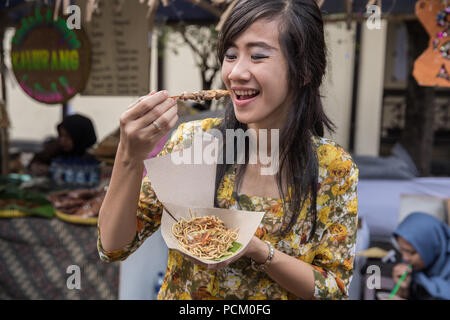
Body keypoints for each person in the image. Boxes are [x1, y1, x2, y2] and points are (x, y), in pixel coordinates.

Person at [97, 0, 359, 300]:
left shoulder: (334, 168)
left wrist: (257, 250)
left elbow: (333, 290)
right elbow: (113, 247)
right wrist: (129, 155)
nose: (236, 72)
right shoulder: (195, 141)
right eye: (230, 55)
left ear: (304, 70)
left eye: (258, 56)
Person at [391, 212, 450, 300]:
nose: (405, 258)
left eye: (411, 252)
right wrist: (402, 289)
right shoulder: (416, 269)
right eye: (401, 250)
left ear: (431, 248)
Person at [28, 114, 97, 176]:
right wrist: (37, 167)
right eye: (61, 135)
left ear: (80, 137)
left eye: (68, 136)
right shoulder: (53, 149)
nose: (62, 140)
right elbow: (34, 163)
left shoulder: (93, 159)